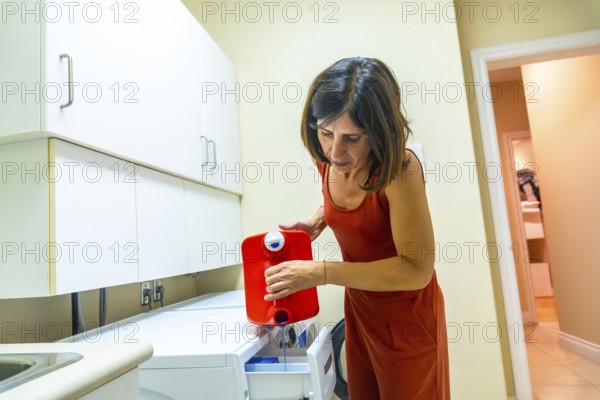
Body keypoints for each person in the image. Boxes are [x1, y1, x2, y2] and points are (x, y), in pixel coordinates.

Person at [264, 57, 450, 399]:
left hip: (406, 316)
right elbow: (351, 200)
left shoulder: (400, 169)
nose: (335, 151)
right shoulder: (327, 158)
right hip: (361, 310)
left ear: (379, 133)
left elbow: (416, 270)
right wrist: (319, 219)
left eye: (352, 138)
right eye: (325, 132)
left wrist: (319, 272)